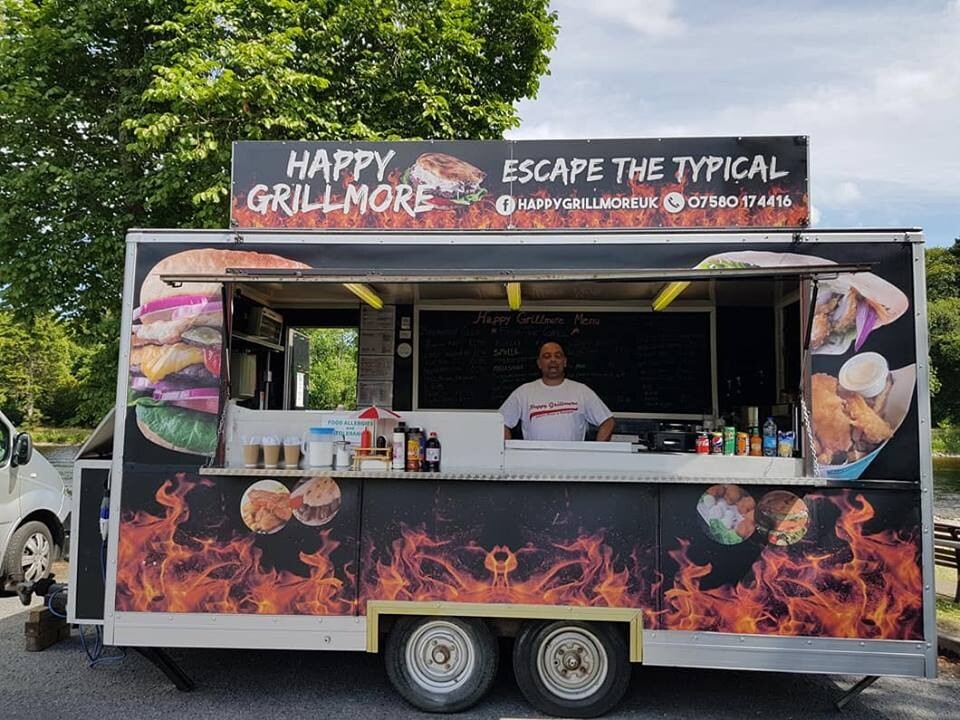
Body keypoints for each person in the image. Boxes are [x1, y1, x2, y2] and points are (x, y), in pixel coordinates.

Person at [499, 341, 615, 441]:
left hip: (572, 463)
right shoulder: (523, 392)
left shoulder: (582, 391)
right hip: (533, 463)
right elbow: (499, 423)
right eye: (547, 356)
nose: (553, 360)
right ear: (539, 363)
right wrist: (506, 453)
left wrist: (595, 452)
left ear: (564, 362)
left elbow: (608, 422)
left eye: (558, 356)